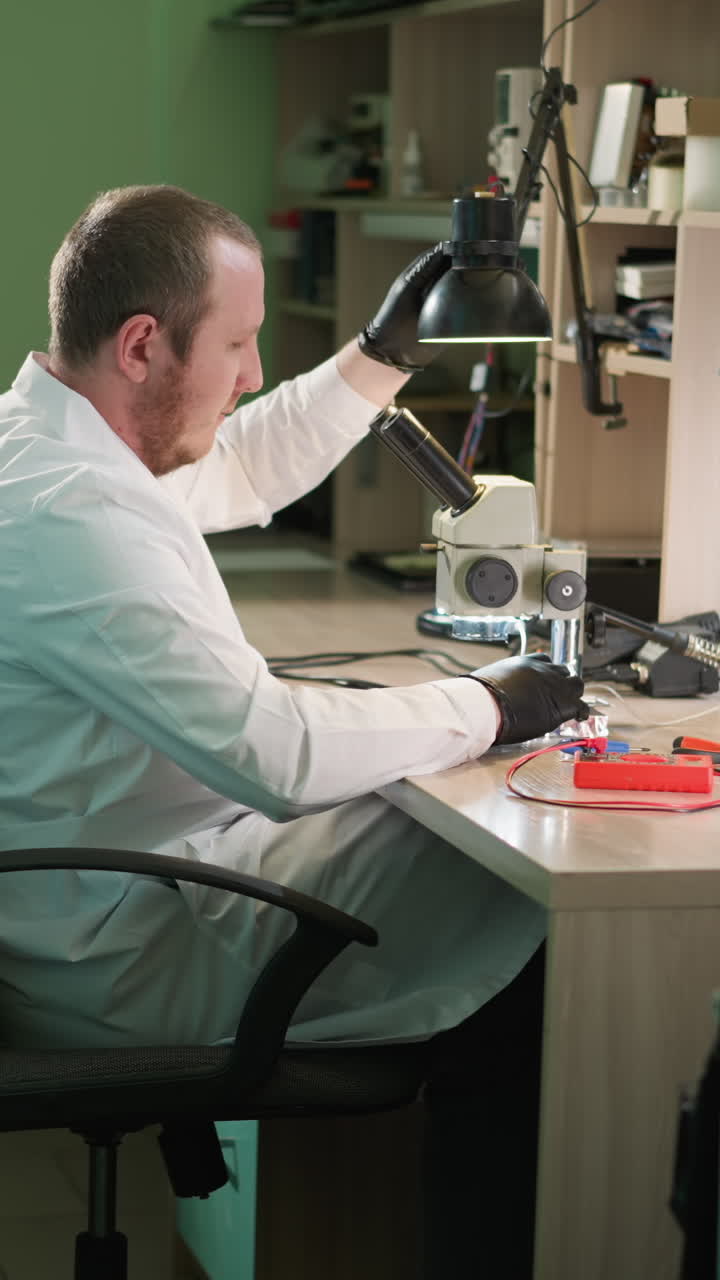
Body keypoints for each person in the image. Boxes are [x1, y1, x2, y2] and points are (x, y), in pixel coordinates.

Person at [0, 184, 586, 1273]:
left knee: (475, 846)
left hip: (136, 876)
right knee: (536, 918)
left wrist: (382, 353)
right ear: (141, 345)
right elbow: (280, 754)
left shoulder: (53, 444)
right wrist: (493, 703)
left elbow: (240, 460)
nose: (253, 372)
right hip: (127, 940)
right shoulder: (65, 507)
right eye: (237, 343)